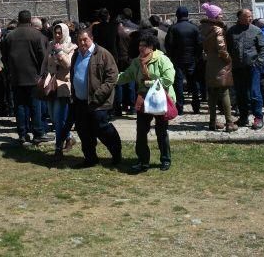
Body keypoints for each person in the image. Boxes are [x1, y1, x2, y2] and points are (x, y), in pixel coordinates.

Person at [117, 31, 175, 172]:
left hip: (160, 98)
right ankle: (143, 161)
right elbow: (127, 75)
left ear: (152, 47)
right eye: (140, 45)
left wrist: (149, 82)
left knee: (161, 131)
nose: (141, 48)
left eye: (145, 46)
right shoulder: (137, 62)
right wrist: (111, 79)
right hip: (143, 98)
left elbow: (168, 79)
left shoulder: (162, 59)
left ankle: (165, 160)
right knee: (141, 131)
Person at [70, 29, 122, 168]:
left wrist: (98, 95)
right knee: (84, 131)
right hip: (81, 101)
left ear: (91, 38)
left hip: (99, 102)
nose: (82, 43)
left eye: (85, 39)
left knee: (103, 129)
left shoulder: (103, 54)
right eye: (79, 40)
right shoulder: (76, 55)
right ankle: (90, 158)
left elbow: (112, 77)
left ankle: (117, 154)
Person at [0, 10, 50, 144]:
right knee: (35, 105)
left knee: (20, 106)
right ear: (30, 20)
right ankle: (38, 132)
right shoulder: (37, 35)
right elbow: (43, 57)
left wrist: (9, 71)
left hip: (16, 76)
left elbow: (4, 56)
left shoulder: (9, 36)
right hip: (34, 76)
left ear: (18, 19)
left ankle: (22, 134)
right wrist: (43, 74)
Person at [226, 8, 264, 130]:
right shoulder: (232, 31)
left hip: (253, 67)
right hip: (238, 67)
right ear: (239, 17)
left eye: (250, 16)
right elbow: (228, 48)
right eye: (247, 16)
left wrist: (259, 63)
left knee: (255, 93)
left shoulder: (256, 31)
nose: (250, 18)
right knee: (241, 94)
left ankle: (258, 117)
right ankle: (243, 117)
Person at [200, 2, 237, 132]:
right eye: (220, 14)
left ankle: (212, 122)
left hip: (210, 62)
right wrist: (229, 59)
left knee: (212, 94)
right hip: (220, 64)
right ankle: (229, 122)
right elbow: (222, 49)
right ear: (215, 16)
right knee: (224, 92)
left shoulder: (203, 28)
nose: (222, 15)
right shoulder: (218, 29)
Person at [42, 23, 75, 160]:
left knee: (58, 116)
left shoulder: (72, 47)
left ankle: (58, 148)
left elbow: (68, 65)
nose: (57, 35)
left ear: (65, 33)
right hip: (50, 84)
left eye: (59, 33)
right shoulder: (51, 44)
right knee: (52, 116)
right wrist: (42, 75)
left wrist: (60, 51)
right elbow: (45, 62)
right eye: (55, 33)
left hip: (62, 85)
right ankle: (69, 137)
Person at [165, 6, 203, 115]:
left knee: (179, 84)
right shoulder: (194, 28)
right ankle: (196, 106)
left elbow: (169, 44)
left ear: (177, 15)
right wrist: (197, 56)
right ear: (187, 15)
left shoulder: (173, 28)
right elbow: (200, 44)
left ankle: (180, 108)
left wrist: (171, 56)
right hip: (191, 59)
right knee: (194, 83)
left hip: (178, 59)